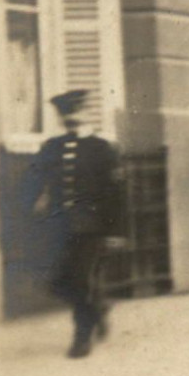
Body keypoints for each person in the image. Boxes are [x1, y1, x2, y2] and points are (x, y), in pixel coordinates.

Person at [21, 89, 125, 358]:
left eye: (76, 112)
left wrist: (116, 231)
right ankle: (98, 308)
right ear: (60, 117)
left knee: (80, 281)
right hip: (59, 226)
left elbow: (115, 193)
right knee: (55, 282)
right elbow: (34, 180)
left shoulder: (102, 149)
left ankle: (82, 336)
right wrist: (32, 204)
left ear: (87, 112)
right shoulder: (51, 147)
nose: (72, 118)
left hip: (92, 227)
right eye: (66, 113)